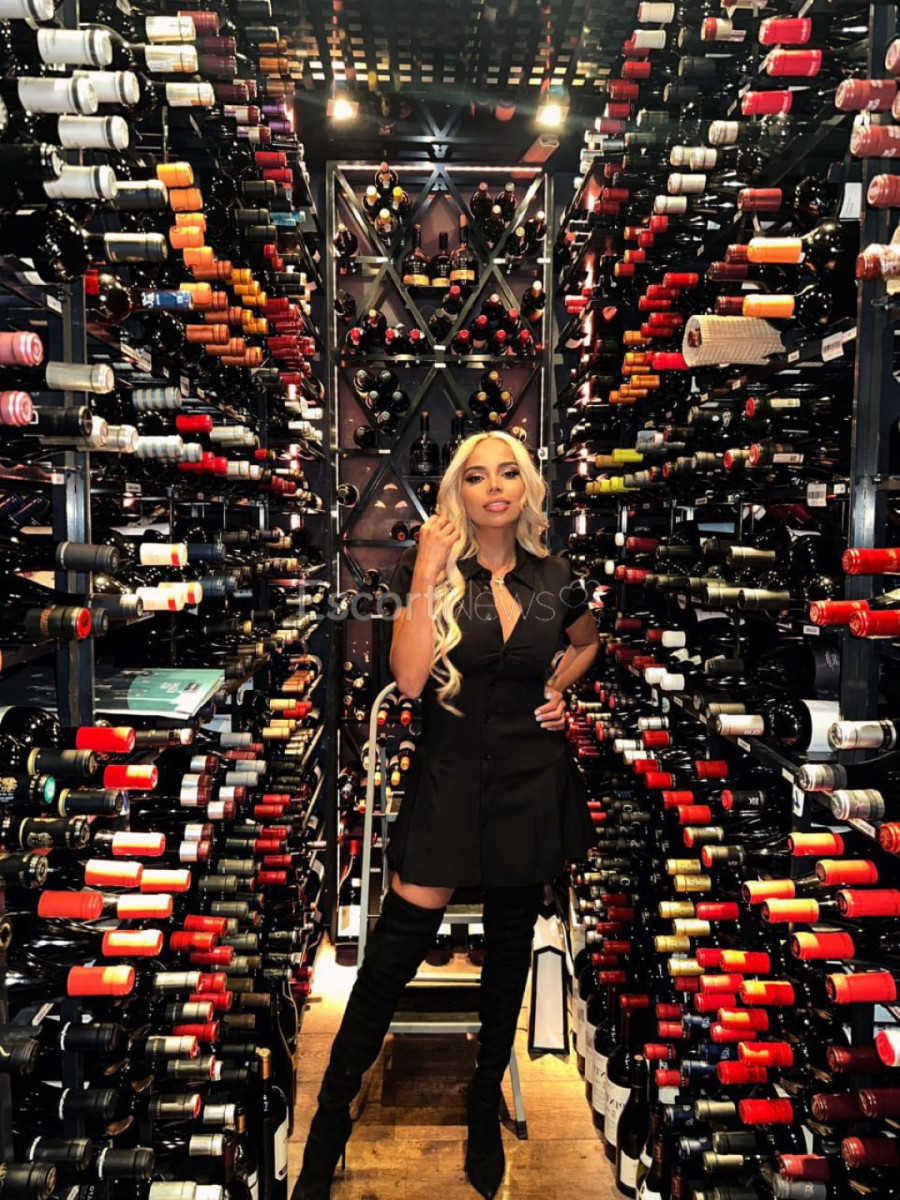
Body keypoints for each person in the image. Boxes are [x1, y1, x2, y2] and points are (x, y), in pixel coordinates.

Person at [292, 431, 601, 1200]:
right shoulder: (427, 568)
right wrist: (427, 574)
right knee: (391, 957)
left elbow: (587, 644)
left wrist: (559, 689)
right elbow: (405, 679)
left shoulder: (555, 576)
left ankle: (481, 1105)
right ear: (456, 492)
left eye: (507, 473)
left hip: (531, 780)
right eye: (476, 476)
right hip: (450, 780)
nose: (494, 487)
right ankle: (327, 1125)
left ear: (526, 488)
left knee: (508, 955)